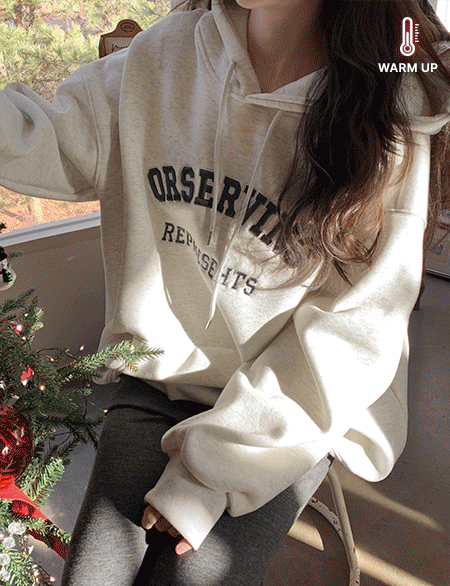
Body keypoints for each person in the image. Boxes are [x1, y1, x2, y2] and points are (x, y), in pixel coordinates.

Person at [1, 0, 450, 584]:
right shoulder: (164, 54)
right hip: (163, 380)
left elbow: (351, 337)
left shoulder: (390, 107)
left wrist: (209, 476)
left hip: (291, 414)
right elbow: (49, 139)